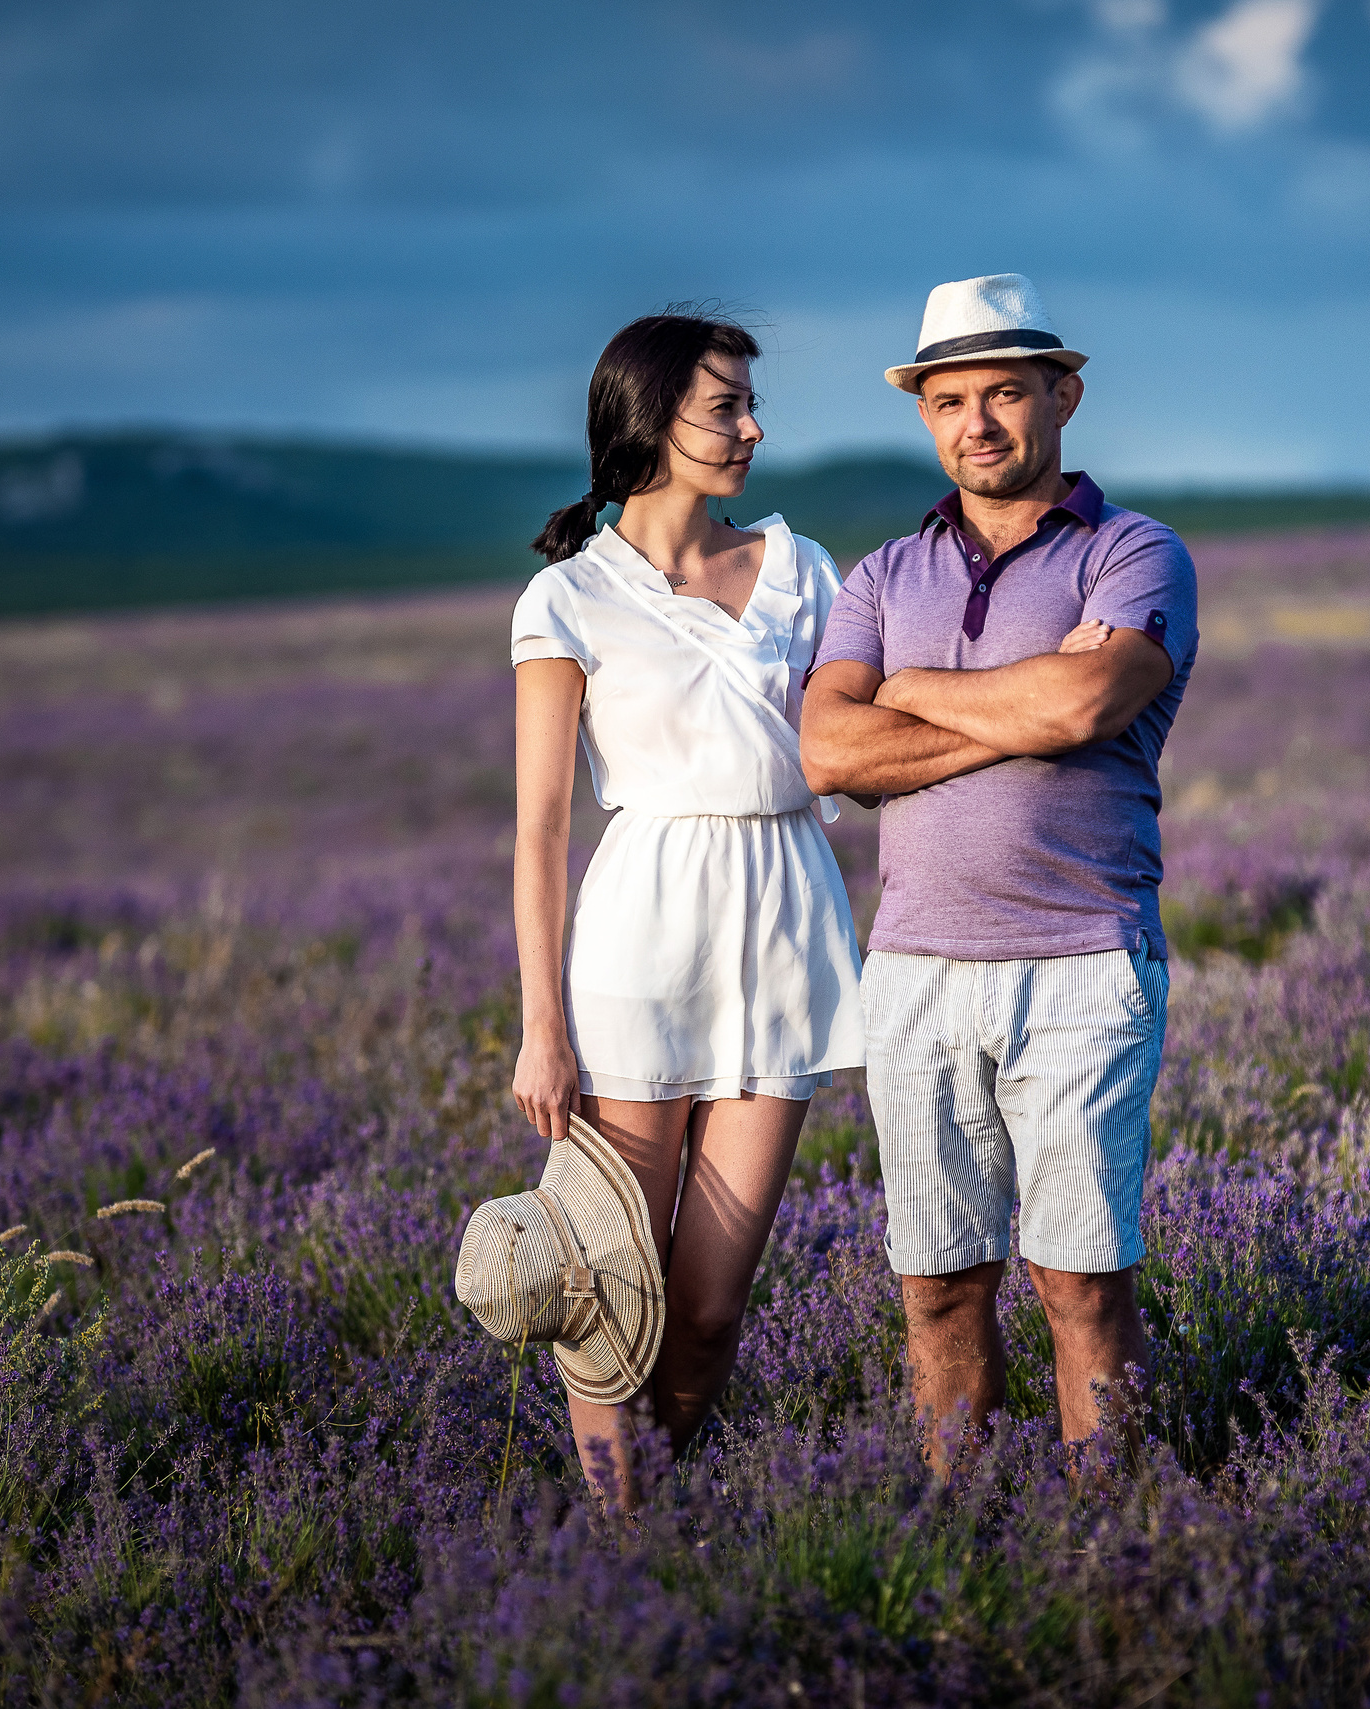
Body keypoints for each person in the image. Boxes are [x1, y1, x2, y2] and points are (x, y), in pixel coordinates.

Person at [798, 273, 1200, 1472]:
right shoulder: (878, 576)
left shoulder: (1133, 552)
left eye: (1006, 393)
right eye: (949, 399)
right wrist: (1017, 707)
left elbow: (1087, 698)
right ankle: (965, 1543)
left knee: (1080, 1285)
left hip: (1081, 960)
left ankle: (1107, 1550)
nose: (976, 423)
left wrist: (908, 694)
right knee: (936, 1289)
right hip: (913, 970)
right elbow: (827, 748)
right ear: (924, 412)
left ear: (1062, 395)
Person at [507, 308, 864, 1499]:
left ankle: (649, 1510)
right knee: (612, 1279)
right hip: (640, 944)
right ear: (651, 419)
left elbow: (858, 729)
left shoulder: (801, 568)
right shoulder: (566, 598)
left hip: (787, 928)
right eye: (726, 408)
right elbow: (542, 829)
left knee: (709, 1305)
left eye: (750, 406)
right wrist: (541, 1027)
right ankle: (628, 1544)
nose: (752, 429)